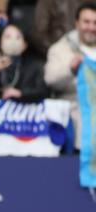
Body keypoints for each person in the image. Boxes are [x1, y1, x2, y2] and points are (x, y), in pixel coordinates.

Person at [44, 2, 96, 150]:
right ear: (77, 23)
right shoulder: (60, 48)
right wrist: (70, 69)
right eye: (86, 22)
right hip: (73, 107)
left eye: (95, 23)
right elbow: (50, 80)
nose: (91, 27)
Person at [0, 22, 48, 102]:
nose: (12, 41)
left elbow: (42, 91)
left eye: (18, 37)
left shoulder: (35, 66)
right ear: (0, 43)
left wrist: (20, 93)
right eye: (7, 37)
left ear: (24, 45)